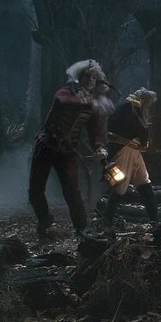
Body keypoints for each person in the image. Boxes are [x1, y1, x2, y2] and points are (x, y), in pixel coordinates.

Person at [29, 59, 113, 237]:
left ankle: (82, 230)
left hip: (66, 152)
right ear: (80, 77)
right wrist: (94, 103)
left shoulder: (92, 104)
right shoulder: (66, 92)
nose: (90, 80)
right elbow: (64, 101)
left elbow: (95, 131)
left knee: (72, 193)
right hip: (45, 146)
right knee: (35, 191)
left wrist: (99, 147)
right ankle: (44, 219)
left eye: (93, 77)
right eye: (87, 76)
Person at [102, 87, 158, 225]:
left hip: (132, 150)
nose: (148, 108)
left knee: (144, 182)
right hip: (124, 150)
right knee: (119, 187)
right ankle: (107, 222)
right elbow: (140, 130)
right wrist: (141, 143)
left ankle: (155, 221)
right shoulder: (130, 110)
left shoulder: (129, 109)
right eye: (148, 104)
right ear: (144, 101)